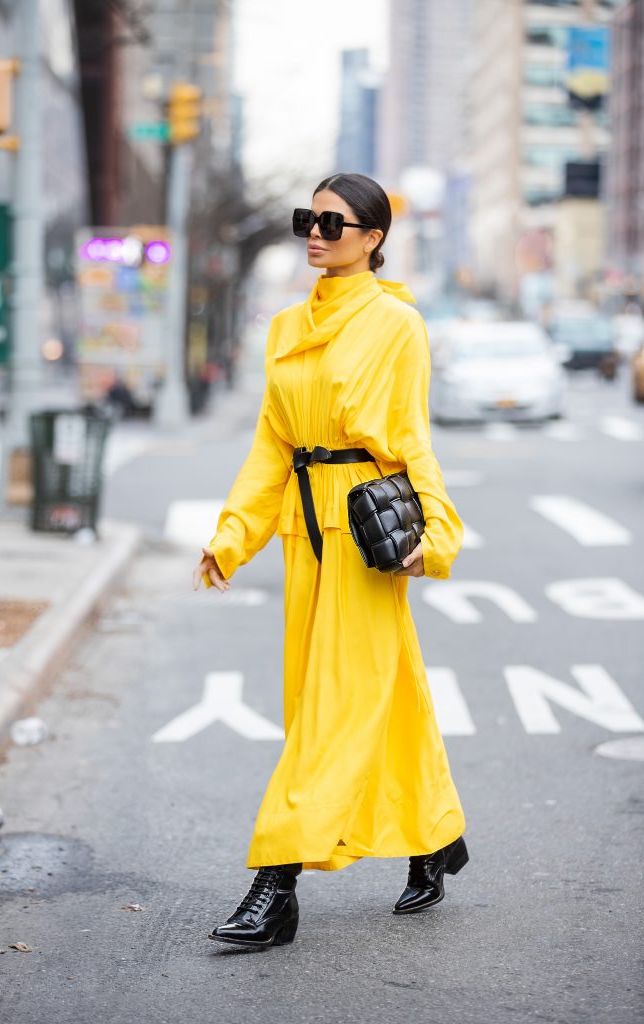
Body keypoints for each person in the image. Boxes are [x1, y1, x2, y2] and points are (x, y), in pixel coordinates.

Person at [192, 172, 468, 951]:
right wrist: (233, 535)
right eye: (305, 219)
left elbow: (412, 439)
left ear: (373, 238)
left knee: (332, 717)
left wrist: (437, 536)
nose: (315, 232)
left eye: (332, 221)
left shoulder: (395, 324)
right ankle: (435, 838)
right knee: (382, 695)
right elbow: (273, 445)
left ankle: (274, 885)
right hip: (304, 537)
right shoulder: (285, 326)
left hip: (367, 536)